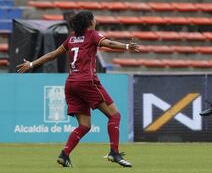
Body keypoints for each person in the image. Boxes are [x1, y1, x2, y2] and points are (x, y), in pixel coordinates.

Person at [17, 11, 139, 167]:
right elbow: (109, 43)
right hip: (87, 81)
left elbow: (53, 54)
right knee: (115, 115)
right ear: (89, 22)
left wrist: (32, 64)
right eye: (94, 18)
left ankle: (64, 155)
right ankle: (114, 153)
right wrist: (127, 46)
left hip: (71, 84)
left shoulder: (72, 39)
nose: (96, 20)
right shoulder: (92, 35)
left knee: (85, 125)